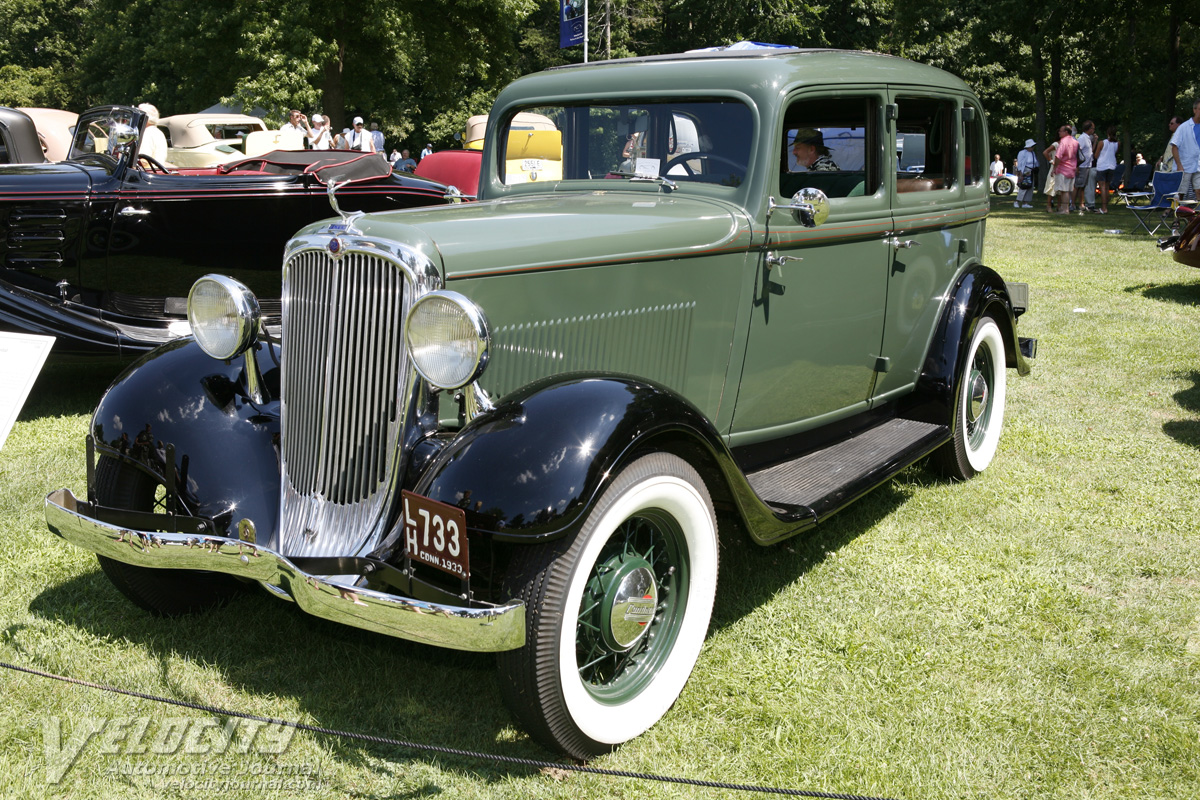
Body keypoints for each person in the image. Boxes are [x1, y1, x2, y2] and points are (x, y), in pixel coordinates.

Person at [1170, 98, 1200, 201]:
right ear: (1194, 110)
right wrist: (1179, 165)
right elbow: (1174, 146)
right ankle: (1177, 214)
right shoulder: (1184, 127)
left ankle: (1197, 213)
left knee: (1199, 190)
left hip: (1198, 164)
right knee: (1181, 192)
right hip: (1185, 164)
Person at [1050, 124, 1078, 214]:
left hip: (1063, 168)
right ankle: (1064, 208)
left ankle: (1065, 209)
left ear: (1066, 132)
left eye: (1061, 131)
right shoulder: (1075, 142)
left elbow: (1058, 156)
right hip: (1072, 168)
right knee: (1067, 190)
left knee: (1064, 190)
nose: (1059, 132)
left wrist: (1055, 167)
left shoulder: (1063, 141)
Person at [1094, 125, 1119, 214]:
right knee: (1107, 187)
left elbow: (1096, 155)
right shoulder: (1117, 143)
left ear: (1107, 133)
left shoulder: (1102, 142)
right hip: (1112, 166)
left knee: (1102, 187)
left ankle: (1104, 208)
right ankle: (1105, 206)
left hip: (1102, 166)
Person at [1074, 120, 1096, 214]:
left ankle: (1081, 204)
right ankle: (1072, 204)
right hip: (1082, 166)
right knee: (1077, 185)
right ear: (1089, 128)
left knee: (1082, 186)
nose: (1093, 130)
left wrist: (1095, 141)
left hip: (1087, 165)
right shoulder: (1082, 138)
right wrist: (1076, 166)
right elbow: (1076, 151)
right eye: (1093, 128)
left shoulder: (1088, 138)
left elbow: (1091, 152)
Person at [1015, 138, 1037, 208]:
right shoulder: (1022, 153)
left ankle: (1025, 202)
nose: (1033, 148)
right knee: (1024, 187)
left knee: (1030, 187)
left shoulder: (1033, 153)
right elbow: (1020, 163)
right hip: (1025, 171)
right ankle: (1017, 201)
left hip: (1031, 171)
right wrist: (1020, 172)